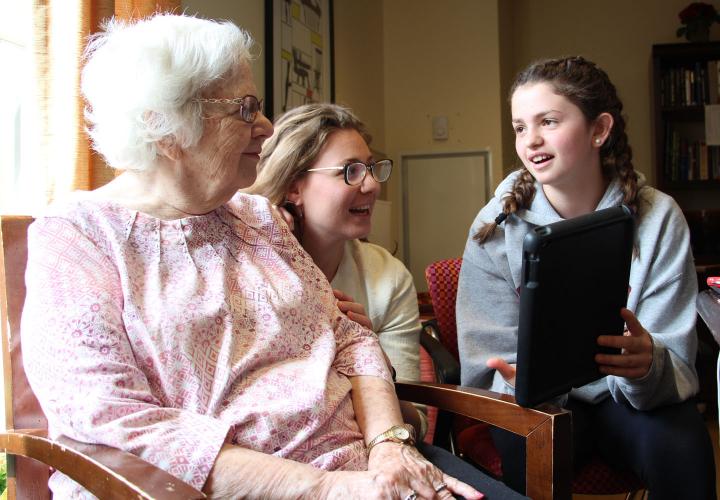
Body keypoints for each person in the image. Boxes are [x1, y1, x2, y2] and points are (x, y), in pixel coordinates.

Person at [21, 14, 518, 500]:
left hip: (372, 469)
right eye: (245, 109)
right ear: (166, 126)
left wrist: (390, 446)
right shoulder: (79, 236)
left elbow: (351, 339)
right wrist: (334, 489)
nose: (265, 127)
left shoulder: (258, 217)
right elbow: (111, 421)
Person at [456, 55, 716, 499]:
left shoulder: (658, 219)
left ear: (599, 130)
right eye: (520, 127)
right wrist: (520, 383)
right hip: (536, 407)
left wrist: (647, 363)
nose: (530, 140)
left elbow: (673, 352)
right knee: (531, 447)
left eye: (549, 121)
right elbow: (486, 360)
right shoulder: (495, 225)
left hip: (631, 401)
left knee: (684, 443)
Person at [248, 102, 427, 437]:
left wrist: (373, 357)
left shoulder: (388, 278)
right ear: (293, 188)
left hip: (370, 449)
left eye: (372, 169)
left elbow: (415, 422)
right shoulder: (248, 264)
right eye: (350, 171)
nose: (373, 185)